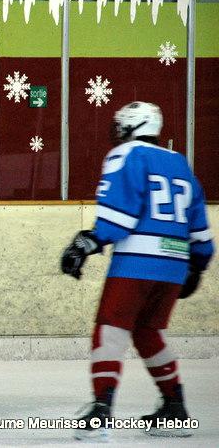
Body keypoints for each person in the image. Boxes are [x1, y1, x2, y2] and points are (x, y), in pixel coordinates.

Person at [61, 101, 214, 440]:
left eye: (121, 127)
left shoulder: (126, 154)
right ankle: (175, 407)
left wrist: (88, 242)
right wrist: (198, 265)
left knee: (110, 328)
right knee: (147, 331)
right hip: (175, 265)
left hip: (136, 261)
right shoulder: (180, 162)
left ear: (132, 127)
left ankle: (101, 410)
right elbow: (200, 230)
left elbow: (120, 214)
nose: (117, 134)